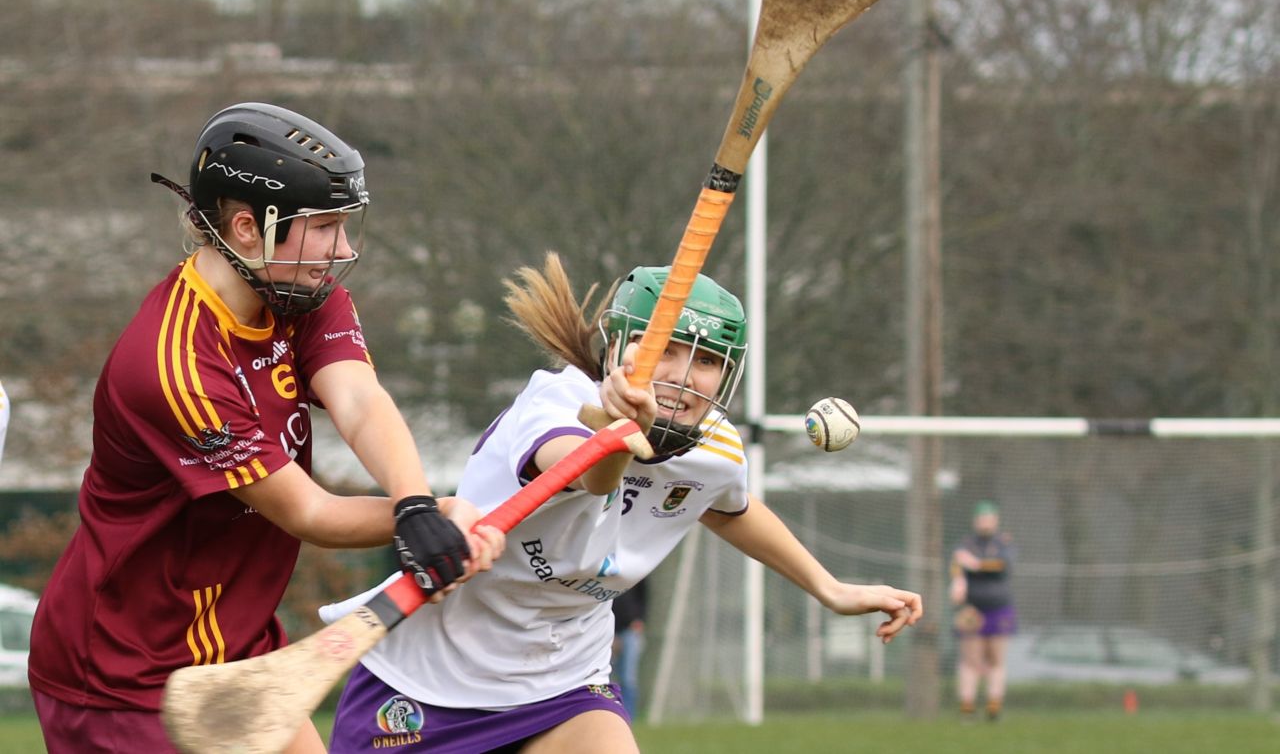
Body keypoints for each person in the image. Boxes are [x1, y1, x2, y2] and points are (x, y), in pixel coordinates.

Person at [26, 102, 504, 754]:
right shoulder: (175, 366)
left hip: (239, 651)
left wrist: (419, 502)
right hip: (128, 680)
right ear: (247, 227)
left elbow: (360, 400)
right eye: (325, 226)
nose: (344, 248)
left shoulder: (299, 290)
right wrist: (424, 518)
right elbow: (306, 511)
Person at [321, 253, 923, 753]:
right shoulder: (553, 404)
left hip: (563, 684)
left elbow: (728, 507)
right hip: (430, 679)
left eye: (708, 361)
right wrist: (610, 427)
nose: (686, 378)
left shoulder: (714, 447)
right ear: (621, 350)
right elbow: (588, 474)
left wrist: (830, 588)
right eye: (667, 352)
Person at [949, 499, 1017, 722]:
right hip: (973, 610)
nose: (985, 522)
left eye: (988, 518)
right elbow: (957, 565)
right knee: (971, 660)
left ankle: (993, 706)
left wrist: (976, 565)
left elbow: (1001, 565)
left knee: (996, 658)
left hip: (999, 608)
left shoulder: (1004, 543)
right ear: (975, 521)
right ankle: (967, 708)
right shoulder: (966, 544)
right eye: (981, 518)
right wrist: (958, 581)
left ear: (995, 520)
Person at [611, 577, 647, 718]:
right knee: (602, 678)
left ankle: (627, 717)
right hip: (605, 629)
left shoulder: (635, 563)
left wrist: (639, 619)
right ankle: (609, 716)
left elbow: (643, 594)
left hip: (629, 629)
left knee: (628, 677)